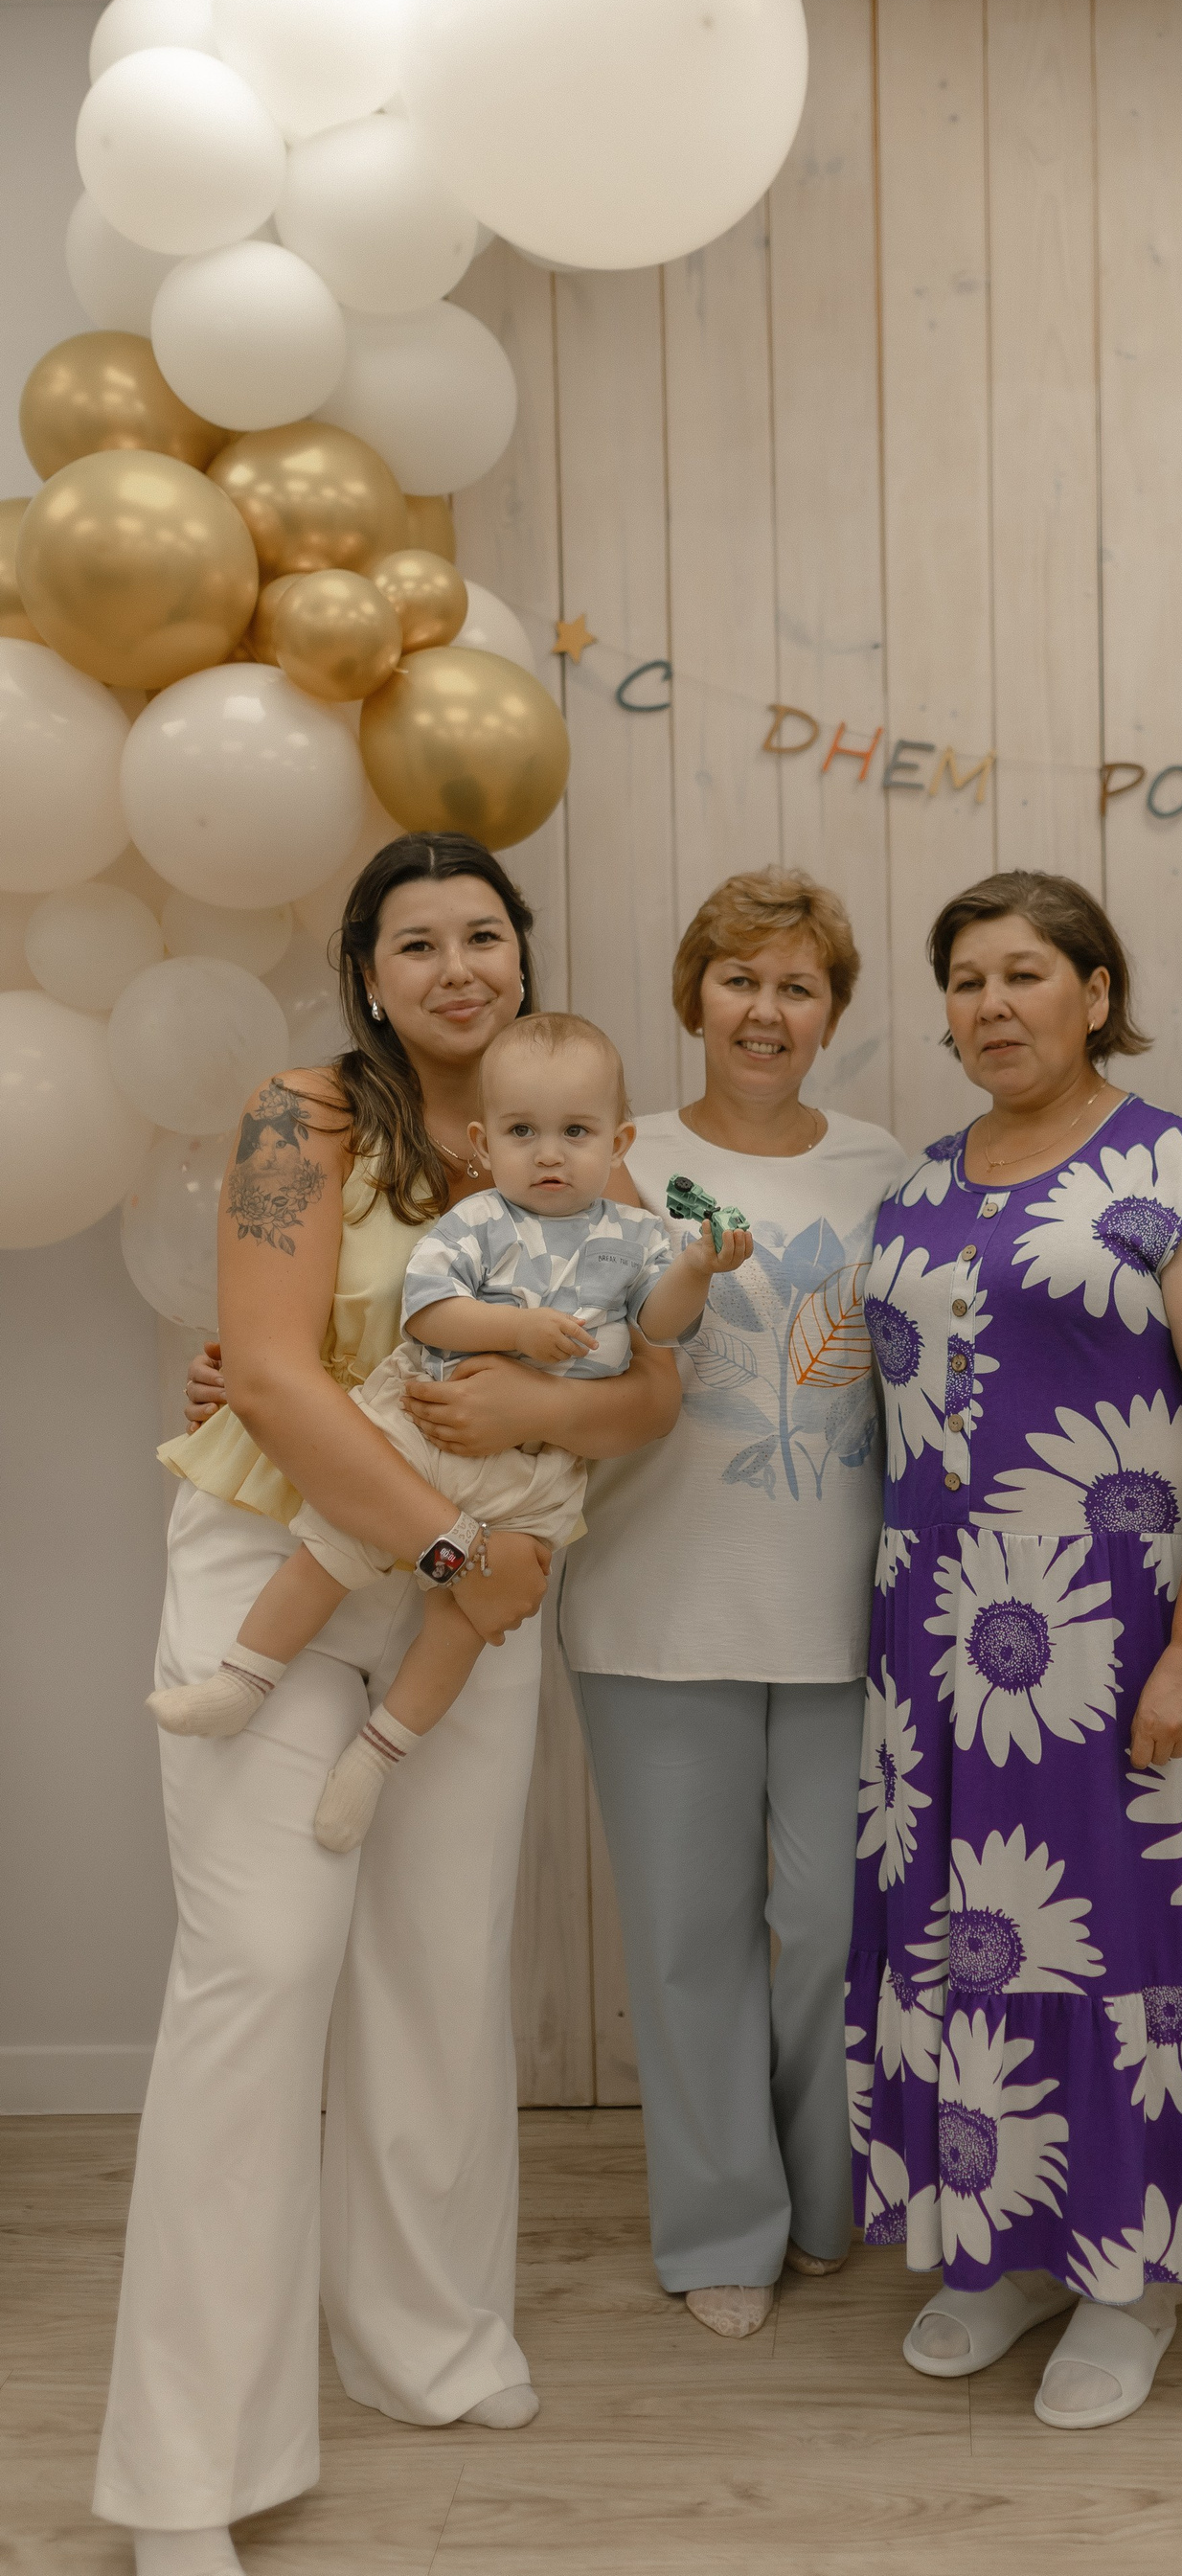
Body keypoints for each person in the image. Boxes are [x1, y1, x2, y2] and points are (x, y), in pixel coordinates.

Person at [96, 837, 681, 2576]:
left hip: (468, 1601)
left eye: (483, 935)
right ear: (367, 973)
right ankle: (188, 2469)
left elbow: (649, 1395)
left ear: (522, 956)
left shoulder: (577, 1134)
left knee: (438, 1971)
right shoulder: (303, 1120)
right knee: (261, 1976)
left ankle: (428, 2342)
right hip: (293, 1565)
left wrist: (530, 1434)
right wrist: (448, 1544)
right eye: (415, 943)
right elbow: (273, 1378)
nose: (456, 967)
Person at [850, 870, 1182, 2432]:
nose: (993, 1004)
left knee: (1126, 1949)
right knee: (966, 1937)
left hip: (1113, 1645)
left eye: (1026, 973)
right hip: (935, 1654)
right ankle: (1005, 2248)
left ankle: (1132, 2273)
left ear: (1096, 994)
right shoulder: (915, 1187)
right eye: (967, 978)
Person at [558, 869, 907, 2339]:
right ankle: (720, 2229)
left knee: (832, 1928)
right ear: (694, 994)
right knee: (689, 1939)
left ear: (832, 1012)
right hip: (651, 1607)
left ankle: (822, 2200)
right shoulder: (612, 1156)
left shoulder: (893, 1171)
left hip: (847, 1621)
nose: (766, 1010)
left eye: (797, 986)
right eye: (739, 979)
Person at [148, 1014, 742, 1855]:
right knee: (332, 1551)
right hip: (417, 1447)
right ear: (485, 1143)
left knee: (462, 1629)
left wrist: (695, 1269)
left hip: (533, 1476)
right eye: (523, 1134)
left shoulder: (634, 1233)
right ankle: (243, 1680)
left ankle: (377, 1756)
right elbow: (427, 1310)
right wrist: (518, 1332)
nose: (549, 1155)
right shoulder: (476, 1217)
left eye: (576, 1134)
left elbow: (658, 1332)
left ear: (618, 1143)